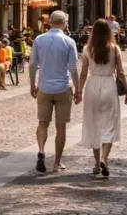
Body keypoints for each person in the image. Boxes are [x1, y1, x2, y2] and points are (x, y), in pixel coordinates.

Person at [78, 20, 127, 178]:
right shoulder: (114, 49)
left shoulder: (88, 49)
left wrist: (78, 91)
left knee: (94, 124)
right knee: (109, 124)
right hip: (109, 85)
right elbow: (120, 72)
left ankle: (96, 164)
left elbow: (82, 73)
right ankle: (104, 159)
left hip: (92, 85)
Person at [29, 10, 80, 174]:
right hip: (63, 87)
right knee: (61, 127)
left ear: (50, 23)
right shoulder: (69, 41)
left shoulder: (39, 39)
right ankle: (57, 162)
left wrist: (32, 84)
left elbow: (32, 64)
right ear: (65, 23)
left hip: (43, 86)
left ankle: (42, 150)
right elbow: (73, 68)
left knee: (43, 123)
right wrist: (78, 89)